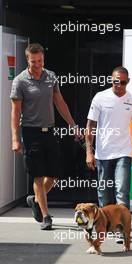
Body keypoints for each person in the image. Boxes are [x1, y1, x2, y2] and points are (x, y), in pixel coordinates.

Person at [10, 43, 80, 230]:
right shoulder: (20, 81)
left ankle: (35, 199)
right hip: (30, 132)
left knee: (54, 174)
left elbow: (60, 102)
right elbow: (15, 112)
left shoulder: (50, 76)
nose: (38, 64)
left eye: (40, 61)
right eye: (34, 62)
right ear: (28, 60)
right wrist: (15, 138)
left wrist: (72, 125)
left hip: (49, 131)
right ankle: (47, 216)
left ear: (43, 59)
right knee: (38, 176)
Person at [85, 66, 132, 242]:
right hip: (103, 153)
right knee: (103, 192)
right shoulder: (100, 97)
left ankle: (121, 230)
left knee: (122, 191)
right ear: (111, 80)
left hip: (124, 152)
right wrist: (89, 151)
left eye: (123, 82)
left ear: (128, 82)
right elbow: (90, 126)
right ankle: (104, 225)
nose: (119, 85)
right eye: (116, 81)